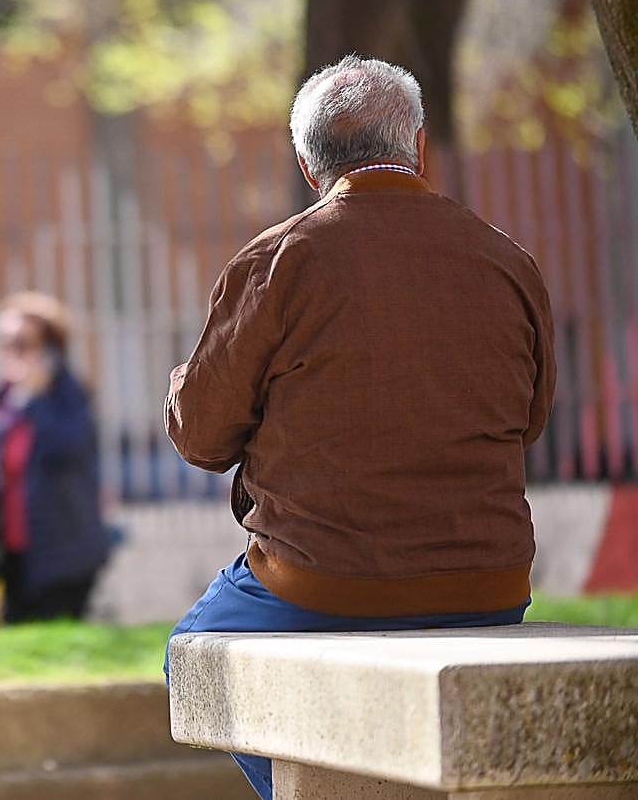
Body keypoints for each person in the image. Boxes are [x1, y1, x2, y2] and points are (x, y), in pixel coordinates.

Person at [163, 55, 555, 800]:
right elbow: (530, 419)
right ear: (421, 147)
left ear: (310, 168)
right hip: (490, 579)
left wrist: (183, 386)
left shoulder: (279, 261)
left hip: (322, 583)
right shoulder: (508, 260)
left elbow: (202, 439)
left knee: (189, 649)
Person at [0, 292, 111, 623]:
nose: (9, 353)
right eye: (3, 342)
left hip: (65, 554)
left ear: (49, 351)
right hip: (14, 553)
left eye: (21, 343)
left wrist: (34, 400)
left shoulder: (68, 396)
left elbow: (69, 449)